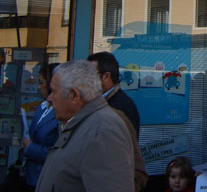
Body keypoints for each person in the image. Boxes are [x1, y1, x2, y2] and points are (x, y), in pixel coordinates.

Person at [36, 60, 134, 192]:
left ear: (74, 95)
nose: (49, 98)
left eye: (53, 91)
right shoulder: (81, 123)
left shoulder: (103, 129)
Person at [23, 63, 59, 191]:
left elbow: (58, 153)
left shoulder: (61, 113)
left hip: (46, 179)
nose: (38, 87)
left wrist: (30, 148)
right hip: (31, 175)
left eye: (42, 83)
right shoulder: (43, 107)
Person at [87, 51, 140, 137]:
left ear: (106, 76)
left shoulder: (122, 106)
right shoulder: (96, 101)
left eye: (91, 74)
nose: (87, 79)